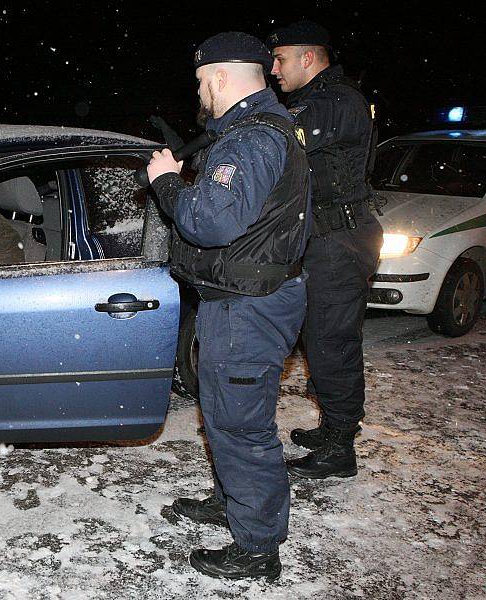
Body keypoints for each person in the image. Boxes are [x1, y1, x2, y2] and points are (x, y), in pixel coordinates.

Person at [147, 32, 310, 580]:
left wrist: (168, 185)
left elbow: (211, 221)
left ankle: (258, 546)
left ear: (219, 77)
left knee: (242, 426)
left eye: (200, 80)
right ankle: (233, 499)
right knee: (222, 415)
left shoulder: (252, 140)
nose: (199, 90)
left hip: (250, 308)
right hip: (242, 300)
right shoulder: (254, 132)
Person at [267, 21, 383, 480]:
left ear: (309, 58)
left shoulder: (336, 102)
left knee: (332, 342)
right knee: (320, 338)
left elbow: (285, 137)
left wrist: (242, 115)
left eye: (281, 59)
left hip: (338, 240)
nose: (274, 69)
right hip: (325, 237)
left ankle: (340, 447)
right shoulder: (319, 100)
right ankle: (334, 426)